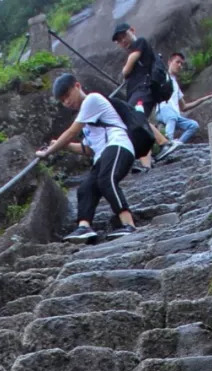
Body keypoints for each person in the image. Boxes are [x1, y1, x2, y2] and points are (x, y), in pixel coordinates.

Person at [36, 73, 138, 243]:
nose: (67, 102)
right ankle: (84, 227)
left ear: (77, 86)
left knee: (106, 179)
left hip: (118, 145)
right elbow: (88, 149)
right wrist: (66, 146)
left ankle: (129, 224)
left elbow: (71, 132)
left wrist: (50, 150)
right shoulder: (86, 122)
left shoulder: (92, 99)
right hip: (103, 154)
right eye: (62, 100)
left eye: (67, 95)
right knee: (86, 188)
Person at [111, 23, 176, 166]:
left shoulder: (140, 42)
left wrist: (124, 71)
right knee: (137, 124)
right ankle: (146, 164)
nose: (123, 41)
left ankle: (164, 143)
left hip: (143, 90)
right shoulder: (138, 52)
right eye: (120, 40)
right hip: (140, 91)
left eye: (124, 36)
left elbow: (126, 70)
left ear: (132, 31)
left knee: (135, 117)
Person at [156, 53, 212, 145]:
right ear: (169, 62)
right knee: (172, 116)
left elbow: (184, 107)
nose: (180, 66)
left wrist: (204, 99)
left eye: (181, 64)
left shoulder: (176, 85)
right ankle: (167, 142)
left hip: (175, 115)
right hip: (164, 110)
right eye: (177, 62)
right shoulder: (163, 77)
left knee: (193, 125)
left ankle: (177, 144)